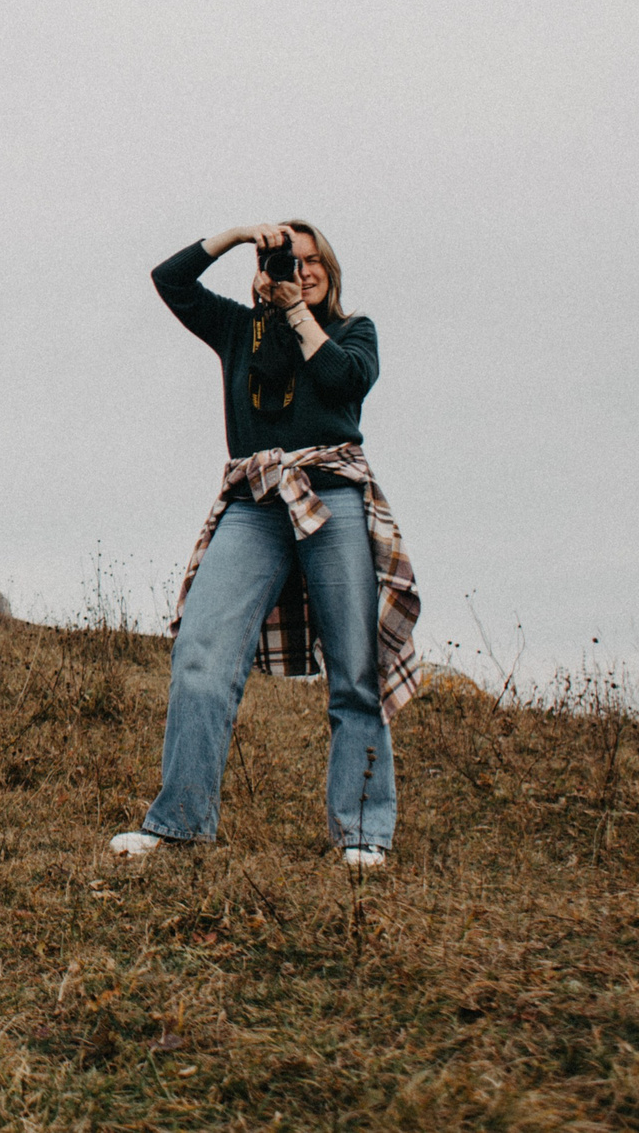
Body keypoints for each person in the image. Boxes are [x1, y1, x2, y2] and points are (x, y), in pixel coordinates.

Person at [110, 221, 421, 869]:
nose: (299, 269)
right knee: (200, 652)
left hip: (332, 492)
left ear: (330, 272)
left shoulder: (350, 329)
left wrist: (298, 315)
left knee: (355, 668)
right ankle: (179, 823)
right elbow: (169, 280)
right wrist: (236, 235)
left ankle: (363, 831)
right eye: (286, 258)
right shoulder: (238, 330)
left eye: (312, 261)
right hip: (254, 497)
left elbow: (345, 383)